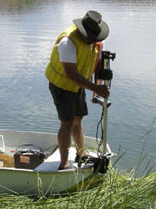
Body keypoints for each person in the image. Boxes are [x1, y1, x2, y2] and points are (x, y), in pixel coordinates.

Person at [45, 10, 110, 170]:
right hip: (62, 84)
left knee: (77, 119)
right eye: (90, 37)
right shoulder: (67, 42)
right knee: (66, 122)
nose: (93, 41)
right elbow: (70, 73)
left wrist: (97, 89)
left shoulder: (95, 41)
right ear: (82, 32)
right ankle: (64, 163)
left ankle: (81, 153)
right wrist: (95, 88)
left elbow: (97, 65)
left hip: (80, 85)